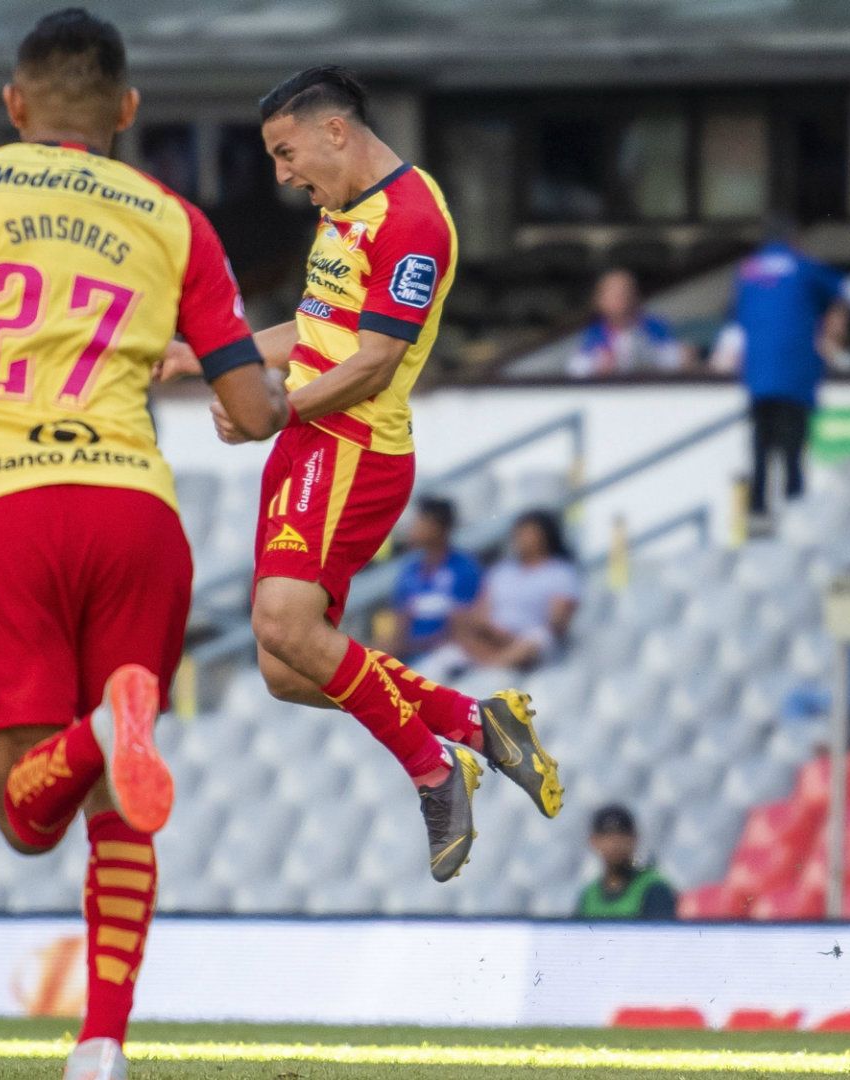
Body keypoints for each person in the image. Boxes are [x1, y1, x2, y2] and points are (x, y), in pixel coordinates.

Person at [0, 12, 284, 1076]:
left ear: (13, 105)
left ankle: (103, 729)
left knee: (26, 813)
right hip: (136, 512)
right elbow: (253, 404)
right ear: (128, 113)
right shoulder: (177, 219)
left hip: (4, 511)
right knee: (120, 801)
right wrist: (284, 386)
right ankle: (100, 1047)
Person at [157, 65, 561, 885]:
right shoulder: (345, 214)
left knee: (284, 624)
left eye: (285, 152)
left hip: (354, 446)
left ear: (334, 130)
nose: (281, 175)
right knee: (284, 668)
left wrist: (277, 413)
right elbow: (314, 333)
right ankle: (477, 724)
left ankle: (435, 769)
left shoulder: (413, 221)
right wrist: (201, 358)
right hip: (307, 444)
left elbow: (374, 364)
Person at [722, 228, 850, 522]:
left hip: (759, 378)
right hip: (794, 376)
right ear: (795, 241)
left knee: (761, 443)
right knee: (793, 448)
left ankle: (757, 506)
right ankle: (796, 508)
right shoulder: (804, 267)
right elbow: (847, 289)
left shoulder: (748, 270)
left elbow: (736, 319)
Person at [447, 510, 582, 672]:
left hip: (527, 638)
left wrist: (512, 636)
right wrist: (490, 628)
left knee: (539, 637)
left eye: (528, 534)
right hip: (493, 635)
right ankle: (491, 664)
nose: (522, 539)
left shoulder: (560, 572)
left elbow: (557, 623)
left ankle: (494, 666)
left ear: (545, 536)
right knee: (454, 634)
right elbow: (482, 609)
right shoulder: (501, 571)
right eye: (519, 534)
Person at [383, 497, 482, 659]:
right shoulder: (409, 571)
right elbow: (399, 623)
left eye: (419, 522)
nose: (413, 528)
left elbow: (466, 625)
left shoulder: (465, 569)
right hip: (410, 654)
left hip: (450, 654)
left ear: (436, 527)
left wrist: (417, 644)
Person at [568, 269, 685, 378]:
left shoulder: (655, 326)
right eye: (613, 294)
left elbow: (677, 358)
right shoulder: (593, 333)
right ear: (600, 301)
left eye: (626, 292)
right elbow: (575, 370)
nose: (622, 299)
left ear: (636, 296)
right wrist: (597, 368)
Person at [575, 805, 676, 920]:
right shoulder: (589, 896)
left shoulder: (653, 889)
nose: (615, 843)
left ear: (635, 839)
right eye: (607, 836)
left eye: (622, 835)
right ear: (593, 841)